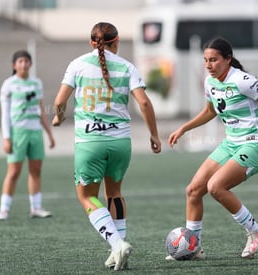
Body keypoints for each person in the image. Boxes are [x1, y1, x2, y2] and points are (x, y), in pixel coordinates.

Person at [168, 37, 258, 260]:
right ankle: (194, 247)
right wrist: (184, 128)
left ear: (228, 59)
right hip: (230, 144)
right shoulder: (210, 82)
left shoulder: (243, 80)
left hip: (256, 144)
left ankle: (255, 231)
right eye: (206, 60)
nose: (208, 65)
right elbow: (210, 111)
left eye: (213, 60)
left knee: (216, 187)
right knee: (193, 190)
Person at [52, 22, 161, 270]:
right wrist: (154, 135)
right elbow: (144, 104)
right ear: (117, 41)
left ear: (91, 42)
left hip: (90, 143)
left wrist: (59, 116)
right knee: (115, 194)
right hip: (120, 143)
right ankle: (118, 247)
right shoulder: (127, 67)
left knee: (88, 196)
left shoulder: (77, 65)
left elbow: (60, 101)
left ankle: (116, 244)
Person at [0, 50, 55, 221]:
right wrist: (7, 138)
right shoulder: (9, 84)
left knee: (36, 170)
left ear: (30, 63)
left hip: (35, 132)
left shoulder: (36, 83)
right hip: (18, 133)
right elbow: (5, 114)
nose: (23, 64)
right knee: (14, 171)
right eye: (20, 61)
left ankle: (36, 208)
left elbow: (40, 110)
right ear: (14, 65)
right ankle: (4, 209)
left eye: (26, 61)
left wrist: (49, 134)